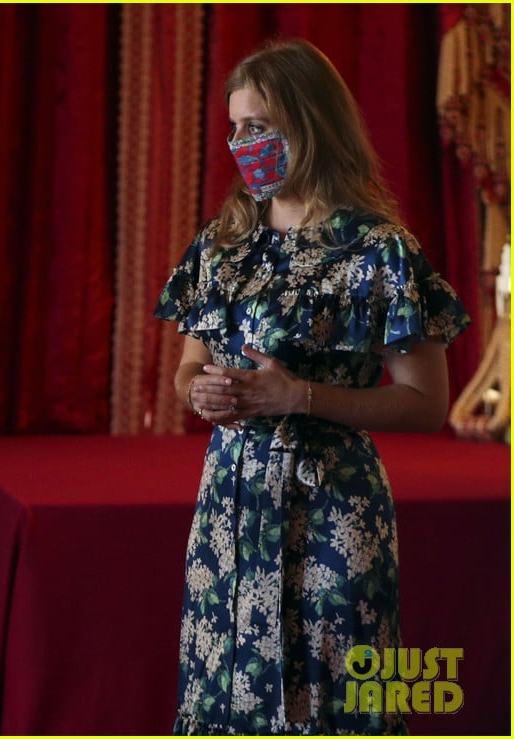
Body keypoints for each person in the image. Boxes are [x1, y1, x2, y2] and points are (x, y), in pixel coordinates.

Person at [154, 39, 470, 734]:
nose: (243, 144)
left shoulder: (377, 248)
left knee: (333, 701)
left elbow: (426, 403)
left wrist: (298, 397)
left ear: (309, 123)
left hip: (331, 508)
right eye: (235, 129)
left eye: (259, 126)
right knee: (225, 691)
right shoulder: (223, 242)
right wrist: (199, 392)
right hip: (230, 508)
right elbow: (186, 368)